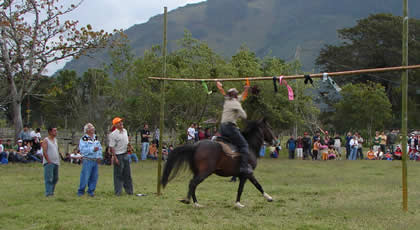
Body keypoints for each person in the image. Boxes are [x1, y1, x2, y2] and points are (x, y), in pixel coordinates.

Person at [216, 81, 251, 175]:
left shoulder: (227, 100)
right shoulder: (236, 104)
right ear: (235, 96)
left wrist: (246, 90)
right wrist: (240, 113)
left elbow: (241, 97)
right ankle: (244, 168)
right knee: (244, 145)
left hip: (222, 127)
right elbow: (244, 116)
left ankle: (232, 161)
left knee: (232, 145)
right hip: (230, 127)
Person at [109, 117, 133, 196]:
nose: (121, 123)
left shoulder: (125, 131)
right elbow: (112, 147)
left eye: (121, 122)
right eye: (119, 122)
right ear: (115, 125)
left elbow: (126, 141)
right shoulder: (113, 134)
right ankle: (118, 192)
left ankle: (129, 191)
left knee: (127, 173)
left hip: (125, 154)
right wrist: (115, 158)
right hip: (118, 155)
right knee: (118, 174)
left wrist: (129, 146)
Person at [78, 123, 103, 197]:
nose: (93, 129)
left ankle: (91, 191)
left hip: (95, 160)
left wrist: (99, 156)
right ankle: (81, 191)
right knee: (85, 176)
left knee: (94, 176)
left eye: (93, 127)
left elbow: (99, 148)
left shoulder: (96, 138)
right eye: (91, 127)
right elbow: (82, 150)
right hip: (87, 160)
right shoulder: (84, 139)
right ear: (87, 130)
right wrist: (92, 149)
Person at [42, 126, 60, 197]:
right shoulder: (46, 140)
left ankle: (51, 191)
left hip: (56, 162)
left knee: (55, 178)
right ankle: (48, 193)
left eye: (56, 130)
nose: (56, 132)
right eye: (54, 131)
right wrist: (48, 160)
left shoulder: (55, 140)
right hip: (49, 162)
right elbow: (44, 151)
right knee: (49, 178)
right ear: (50, 132)